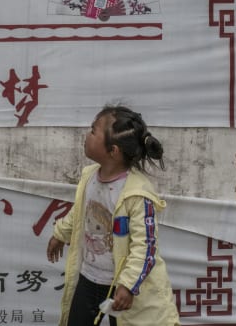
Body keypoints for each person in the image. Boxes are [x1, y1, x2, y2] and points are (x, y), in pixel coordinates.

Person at [47, 104, 180, 325]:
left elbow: (145, 247)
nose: (86, 136)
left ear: (113, 151)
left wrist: (128, 285)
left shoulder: (137, 193)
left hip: (121, 287)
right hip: (89, 279)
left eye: (92, 131)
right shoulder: (90, 177)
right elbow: (79, 214)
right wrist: (61, 233)